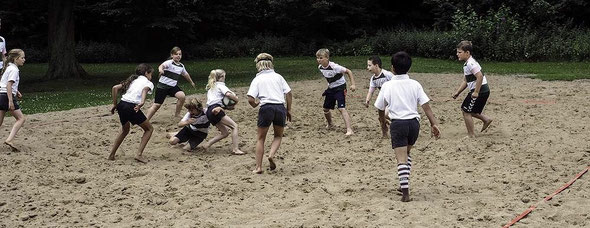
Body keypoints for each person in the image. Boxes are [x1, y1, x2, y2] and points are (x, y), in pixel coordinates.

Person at [374, 51, 441, 202]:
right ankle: (403, 183)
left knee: (401, 159)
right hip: (414, 124)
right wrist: (434, 124)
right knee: (407, 154)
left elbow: (379, 107)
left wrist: (382, 121)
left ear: (392, 68)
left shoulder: (388, 85)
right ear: (409, 68)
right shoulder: (415, 84)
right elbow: (426, 107)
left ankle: (405, 193)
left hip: (398, 124)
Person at [247, 53, 292, 174]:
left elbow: (250, 99)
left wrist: (256, 104)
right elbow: (288, 93)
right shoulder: (278, 77)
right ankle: (271, 154)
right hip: (280, 107)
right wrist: (288, 110)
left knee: (260, 139)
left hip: (266, 107)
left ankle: (258, 167)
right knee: (278, 136)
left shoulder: (257, 79)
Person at [109, 63, 155, 163]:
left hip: (122, 104)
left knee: (125, 130)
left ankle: (112, 154)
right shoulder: (148, 82)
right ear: (147, 73)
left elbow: (115, 88)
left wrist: (114, 104)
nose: (151, 77)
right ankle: (139, 154)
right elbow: (144, 90)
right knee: (149, 129)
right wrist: (142, 102)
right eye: (151, 74)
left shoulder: (133, 80)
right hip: (132, 106)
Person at [452, 41, 493, 138]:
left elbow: (480, 76)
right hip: (482, 90)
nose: (457, 54)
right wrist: (458, 92)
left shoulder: (471, 63)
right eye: (457, 52)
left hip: (480, 90)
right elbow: (466, 80)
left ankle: (471, 135)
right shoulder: (467, 64)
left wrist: (476, 92)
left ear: (467, 53)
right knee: (470, 110)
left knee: (466, 111)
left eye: (459, 52)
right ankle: (486, 120)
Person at [200, 69, 245, 155]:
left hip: (209, 111)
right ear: (221, 77)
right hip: (216, 109)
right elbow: (228, 95)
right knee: (234, 126)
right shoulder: (221, 85)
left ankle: (207, 144)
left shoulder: (211, 88)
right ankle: (235, 149)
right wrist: (236, 99)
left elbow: (215, 102)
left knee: (225, 133)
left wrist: (226, 107)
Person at [146, 46, 196, 120]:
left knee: (182, 96)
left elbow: (185, 74)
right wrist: (161, 70)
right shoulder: (169, 63)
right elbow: (161, 66)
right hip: (162, 87)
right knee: (157, 105)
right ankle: (146, 119)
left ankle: (177, 114)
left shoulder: (181, 66)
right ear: (172, 55)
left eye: (180, 54)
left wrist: (191, 82)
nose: (178, 56)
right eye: (176, 54)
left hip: (172, 87)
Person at [316, 48, 356, 135]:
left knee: (341, 108)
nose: (319, 59)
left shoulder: (335, 66)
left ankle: (349, 129)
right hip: (331, 88)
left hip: (340, 88)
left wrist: (352, 84)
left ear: (327, 58)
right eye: (317, 58)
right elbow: (329, 78)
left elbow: (349, 71)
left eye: (321, 57)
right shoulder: (320, 67)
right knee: (325, 109)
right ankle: (330, 124)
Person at [0, 49, 25, 151]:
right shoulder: (14, 70)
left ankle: (9, 140)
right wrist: (10, 101)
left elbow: (6, 83)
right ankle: (9, 139)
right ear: (16, 59)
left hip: (1, 95)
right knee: (21, 119)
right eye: (22, 58)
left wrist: (17, 91)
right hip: (6, 96)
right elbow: (9, 85)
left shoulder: (9, 68)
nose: (24, 60)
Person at [364, 55, 393, 138]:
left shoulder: (387, 74)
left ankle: (398, 123)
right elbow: (371, 91)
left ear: (376, 65)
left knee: (386, 115)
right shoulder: (373, 79)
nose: (367, 67)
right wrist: (367, 101)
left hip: (392, 99)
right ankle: (384, 133)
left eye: (370, 65)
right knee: (381, 118)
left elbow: (397, 82)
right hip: (384, 100)